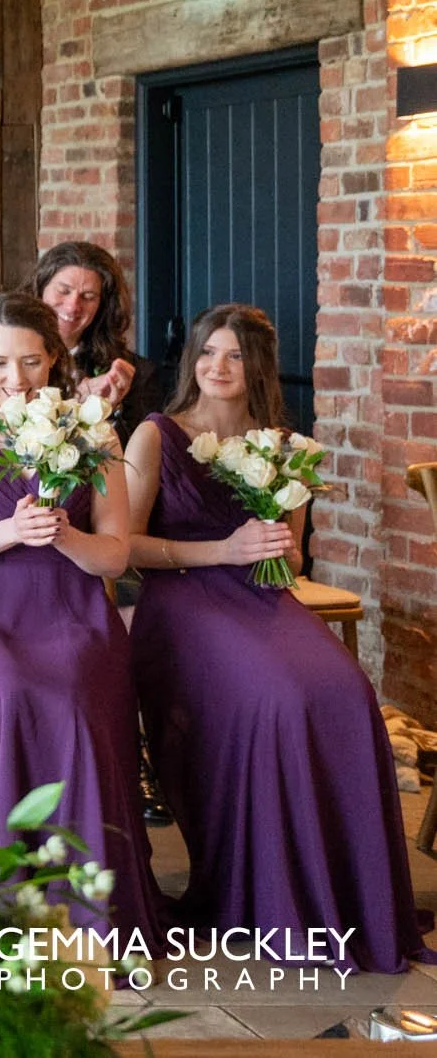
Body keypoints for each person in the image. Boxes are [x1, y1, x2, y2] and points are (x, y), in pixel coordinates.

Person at [124, 304, 428, 973]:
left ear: (256, 366)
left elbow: (291, 560)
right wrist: (224, 549)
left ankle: (351, 895)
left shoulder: (285, 446)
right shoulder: (157, 435)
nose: (216, 367)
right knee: (280, 698)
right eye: (207, 353)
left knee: (347, 690)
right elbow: (126, 547)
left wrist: (276, 545)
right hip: (181, 604)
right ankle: (264, 891)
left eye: (233, 356)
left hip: (262, 598)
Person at [0, 292, 164, 938]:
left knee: (72, 690)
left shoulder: (95, 433)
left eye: (29, 361)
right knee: (0, 685)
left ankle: (77, 906)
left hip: (69, 609)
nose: (14, 377)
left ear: (55, 360)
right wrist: (7, 533)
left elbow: (115, 554)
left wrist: (64, 536)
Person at [35, 242, 164, 438]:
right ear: (40, 289)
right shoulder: (5, 359)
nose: (72, 306)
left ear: (103, 306)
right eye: (63, 291)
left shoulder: (138, 375)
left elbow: (138, 457)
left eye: (88, 297)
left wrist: (109, 410)